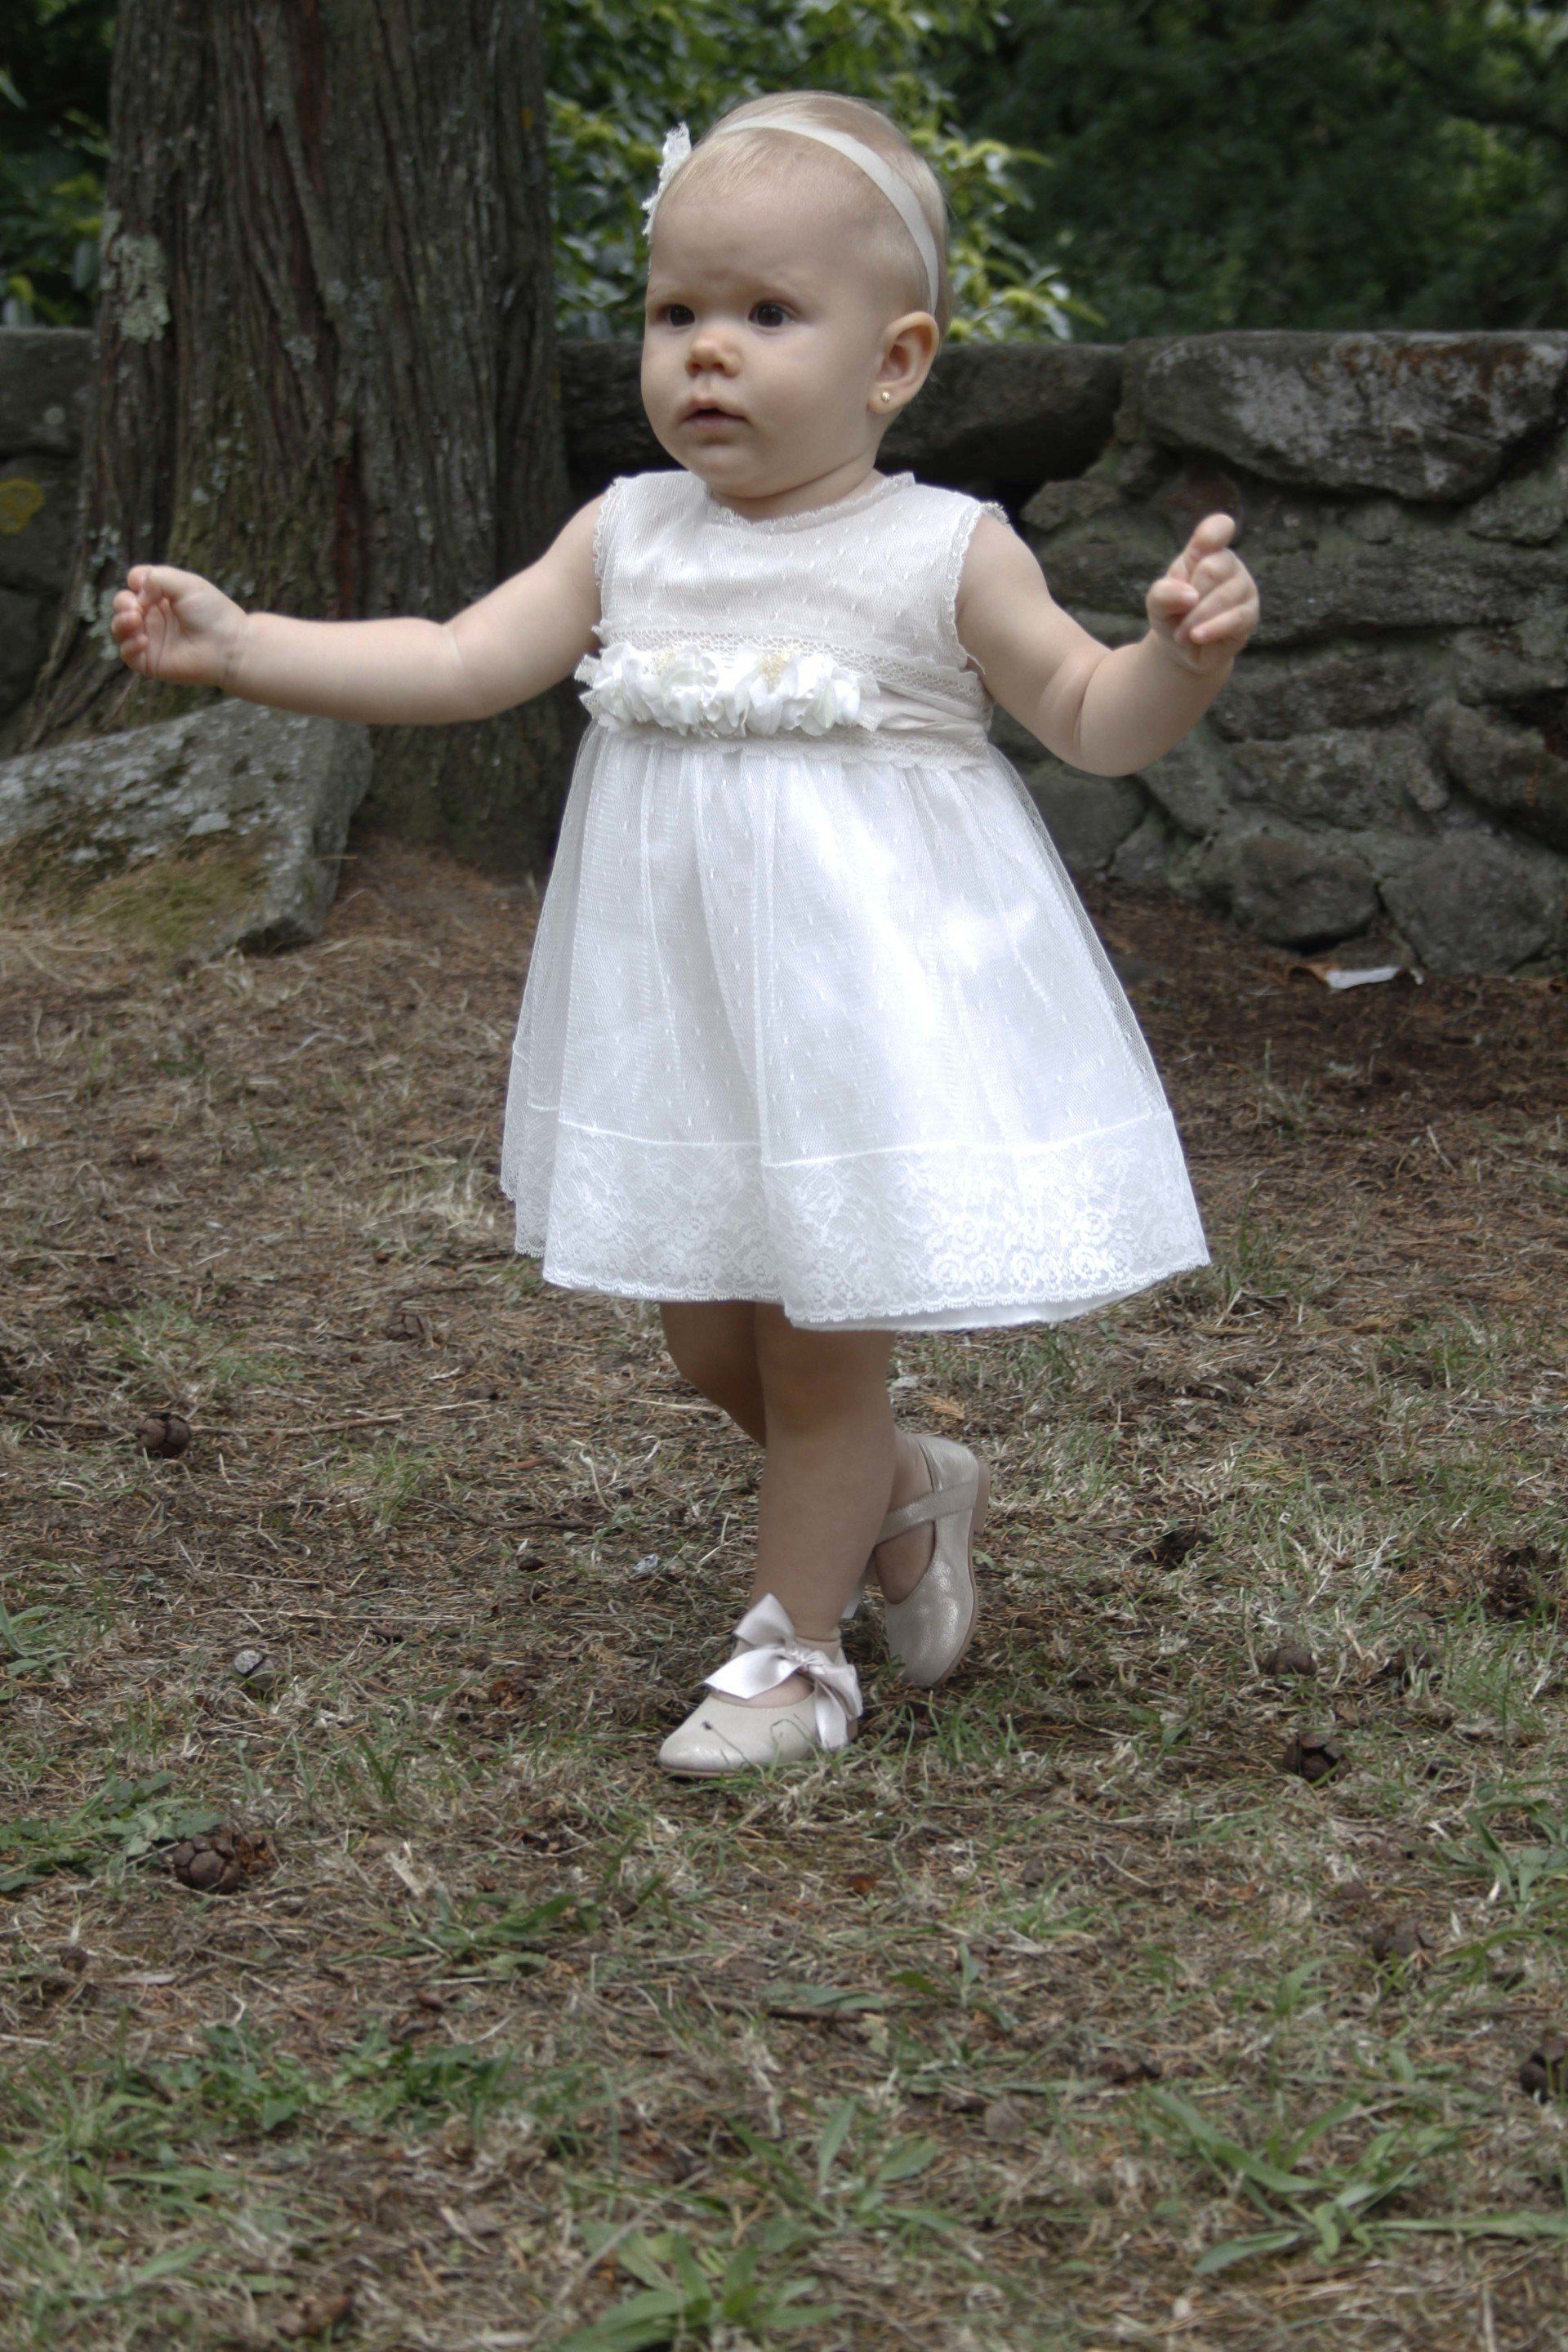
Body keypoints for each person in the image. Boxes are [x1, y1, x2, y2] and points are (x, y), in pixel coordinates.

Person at [111, 90, 1260, 1780]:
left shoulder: (942, 551)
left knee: (816, 1354)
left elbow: (1093, 718)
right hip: (685, 1023)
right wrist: (245, 644)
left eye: (769, 314)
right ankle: (907, 1486)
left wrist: (1178, 658)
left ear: (894, 361)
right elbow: (455, 660)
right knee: (712, 1340)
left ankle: (796, 1659)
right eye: (675, 313)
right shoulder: (629, 531)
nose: (707, 351)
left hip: (853, 1025)